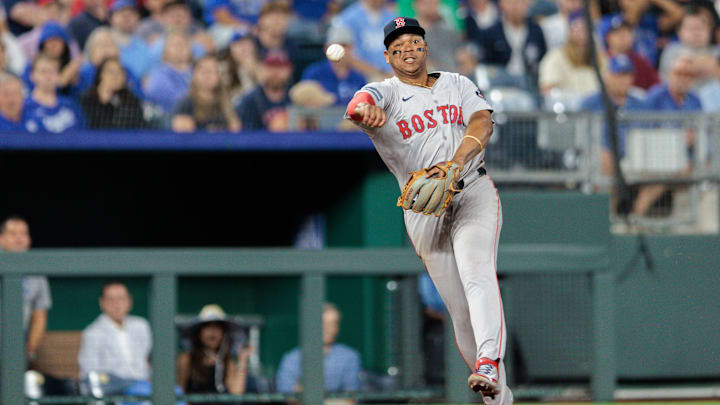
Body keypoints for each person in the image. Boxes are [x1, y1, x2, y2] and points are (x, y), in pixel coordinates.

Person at [345, 17, 512, 403]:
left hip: (471, 190)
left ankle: (488, 363)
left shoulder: (457, 83)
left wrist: (455, 163)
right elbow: (359, 104)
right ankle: (500, 399)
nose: (406, 47)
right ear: (387, 56)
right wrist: (363, 111)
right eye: (397, 44)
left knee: (477, 272)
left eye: (413, 40)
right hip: (424, 208)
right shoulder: (385, 91)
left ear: (425, 47)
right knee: (459, 310)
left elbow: (483, 122)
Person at [77, 281, 152, 386]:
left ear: (129, 302)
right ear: (102, 303)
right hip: (115, 391)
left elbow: (148, 360)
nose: (117, 304)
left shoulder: (141, 326)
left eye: (121, 298)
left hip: (146, 386)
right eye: (111, 299)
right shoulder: (92, 332)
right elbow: (89, 372)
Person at [0, 216, 52, 366]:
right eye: (13, 233)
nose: (19, 238)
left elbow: (39, 317)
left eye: (23, 234)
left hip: (15, 346)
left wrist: (28, 351)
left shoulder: (36, 273)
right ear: (1, 238)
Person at [276, 303, 361, 394]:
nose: (328, 328)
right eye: (323, 323)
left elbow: (350, 398)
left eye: (333, 323)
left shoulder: (349, 357)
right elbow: (289, 397)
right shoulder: (291, 358)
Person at [177, 304, 251, 402]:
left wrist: (243, 360)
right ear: (199, 333)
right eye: (207, 327)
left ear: (224, 333)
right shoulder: (186, 359)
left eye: (217, 327)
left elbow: (237, 393)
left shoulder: (227, 362)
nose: (212, 332)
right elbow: (178, 393)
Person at [468, 0, 547, 91]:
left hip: (529, 83)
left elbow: (543, 59)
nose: (516, 7)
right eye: (511, 2)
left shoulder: (536, 31)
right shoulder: (491, 32)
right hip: (499, 84)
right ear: (502, 4)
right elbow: (484, 65)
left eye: (521, 2)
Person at [538, 11, 599, 105]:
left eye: (587, 29)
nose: (582, 35)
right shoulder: (555, 56)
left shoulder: (600, 58)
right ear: (569, 31)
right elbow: (547, 90)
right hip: (568, 113)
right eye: (578, 29)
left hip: (596, 113)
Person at [598, 0, 684, 67]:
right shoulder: (610, 22)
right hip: (619, 70)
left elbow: (679, 14)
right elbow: (600, 50)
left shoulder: (649, 21)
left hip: (648, 71)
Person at [299, 26, 365, 106]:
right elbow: (302, 101)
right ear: (326, 48)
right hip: (322, 116)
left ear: (351, 48)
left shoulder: (359, 77)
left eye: (345, 46)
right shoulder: (314, 73)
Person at [172, 55, 240, 132]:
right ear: (194, 75)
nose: (207, 74)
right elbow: (183, 136)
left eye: (212, 71)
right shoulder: (186, 103)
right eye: (202, 70)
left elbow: (235, 131)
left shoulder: (228, 103)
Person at [22, 54, 85, 133]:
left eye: (52, 71)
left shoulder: (70, 105)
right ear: (32, 75)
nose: (48, 76)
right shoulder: (24, 107)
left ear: (58, 75)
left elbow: (83, 135)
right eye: (43, 71)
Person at [659, 6, 719, 86]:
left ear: (710, 30)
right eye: (691, 28)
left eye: (701, 28)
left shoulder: (717, 50)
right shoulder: (671, 49)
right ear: (679, 32)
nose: (696, 33)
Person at [331, 0, 395, 74]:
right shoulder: (346, 19)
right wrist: (377, 73)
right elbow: (341, 54)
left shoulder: (393, 16)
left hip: (392, 76)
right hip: (359, 77)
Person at [81, 57, 146, 129]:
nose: (116, 76)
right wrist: (105, 102)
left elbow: (139, 127)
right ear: (100, 75)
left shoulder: (131, 99)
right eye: (111, 72)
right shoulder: (87, 99)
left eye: (120, 72)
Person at [599, 14, 659, 91]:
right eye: (616, 33)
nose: (622, 36)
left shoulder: (641, 62)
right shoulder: (600, 60)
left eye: (626, 31)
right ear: (607, 38)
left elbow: (656, 88)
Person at [234, 50, 291, 131]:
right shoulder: (249, 101)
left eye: (280, 67)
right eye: (271, 67)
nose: (275, 73)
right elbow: (245, 137)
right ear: (263, 69)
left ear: (289, 70)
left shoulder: (295, 99)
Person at [144, 30, 192, 113]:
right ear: (165, 51)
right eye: (175, 45)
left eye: (183, 44)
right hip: (168, 118)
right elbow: (170, 100)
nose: (179, 48)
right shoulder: (159, 75)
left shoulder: (196, 72)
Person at [109, 0, 153, 80]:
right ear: (111, 18)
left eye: (131, 14)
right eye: (121, 13)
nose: (126, 17)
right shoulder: (103, 42)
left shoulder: (143, 46)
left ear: (137, 17)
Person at [414, 0, 461, 72]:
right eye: (427, 3)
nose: (431, 7)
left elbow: (460, 52)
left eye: (434, 3)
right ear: (417, 5)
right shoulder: (409, 34)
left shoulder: (447, 28)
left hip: (453, 76)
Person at [220, 29, 259, 105]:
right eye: (239, 44)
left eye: (247, 44)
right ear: (231, 48)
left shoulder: (263, 66)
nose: (243, 48)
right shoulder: (223, 68)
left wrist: (255, 70)